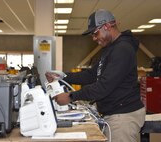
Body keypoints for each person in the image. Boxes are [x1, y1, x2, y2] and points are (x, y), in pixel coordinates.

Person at [45, 9, 145, 142]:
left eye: (95, 33)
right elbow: (92, 75)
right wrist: (63, 76)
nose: (94, 38)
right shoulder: (109, 49)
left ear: (107, 26)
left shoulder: (122, 49)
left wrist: (71, 96)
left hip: (123, 117)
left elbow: (104, 86)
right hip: (115, 114)